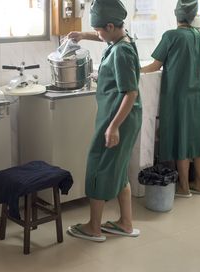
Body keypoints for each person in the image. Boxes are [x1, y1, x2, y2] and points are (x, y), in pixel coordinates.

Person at [66, 0, 142, 242]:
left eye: (98, 29)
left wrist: (113, 127)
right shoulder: (122, 39)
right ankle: (125, 223)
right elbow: (103, 37)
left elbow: (131, 93)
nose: (97, 33)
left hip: (116, 118)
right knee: (118, 169)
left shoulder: (121, 52)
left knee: (98, 167)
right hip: (123, 117)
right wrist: (83, 35)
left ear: (110, 26)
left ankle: (94, 227)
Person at [141, 0, 200, 198]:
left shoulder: (172, 35)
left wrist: (135, 69)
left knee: (180, 139)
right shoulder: (198, 36)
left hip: (178, 95)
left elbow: (154, 66)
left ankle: (184, 187)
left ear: (176, 14)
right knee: (194, 139)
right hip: (195, 95)